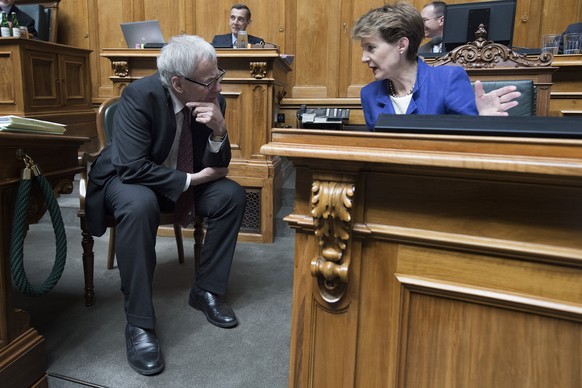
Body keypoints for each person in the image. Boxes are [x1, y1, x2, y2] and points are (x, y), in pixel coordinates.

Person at [85, 34, 246, 376]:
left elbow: (219, 167)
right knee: (140, 204)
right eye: (209, 80)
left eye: (220, 75)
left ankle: (206, 291)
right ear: (177, 82)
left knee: (231, 195)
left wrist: (219, 130)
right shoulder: (140, 96)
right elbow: (131, 167)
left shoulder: (213, 101)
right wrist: (191, 180)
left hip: (180, 176)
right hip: (126, 179)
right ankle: (140, 324)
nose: (217, 86)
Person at [351, 3, 520, 130]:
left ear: (402, 45)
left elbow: (466, 147)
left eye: (371, 48)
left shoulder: (447, 80)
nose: (363, 58)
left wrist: (481, 122)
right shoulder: (369, 94)